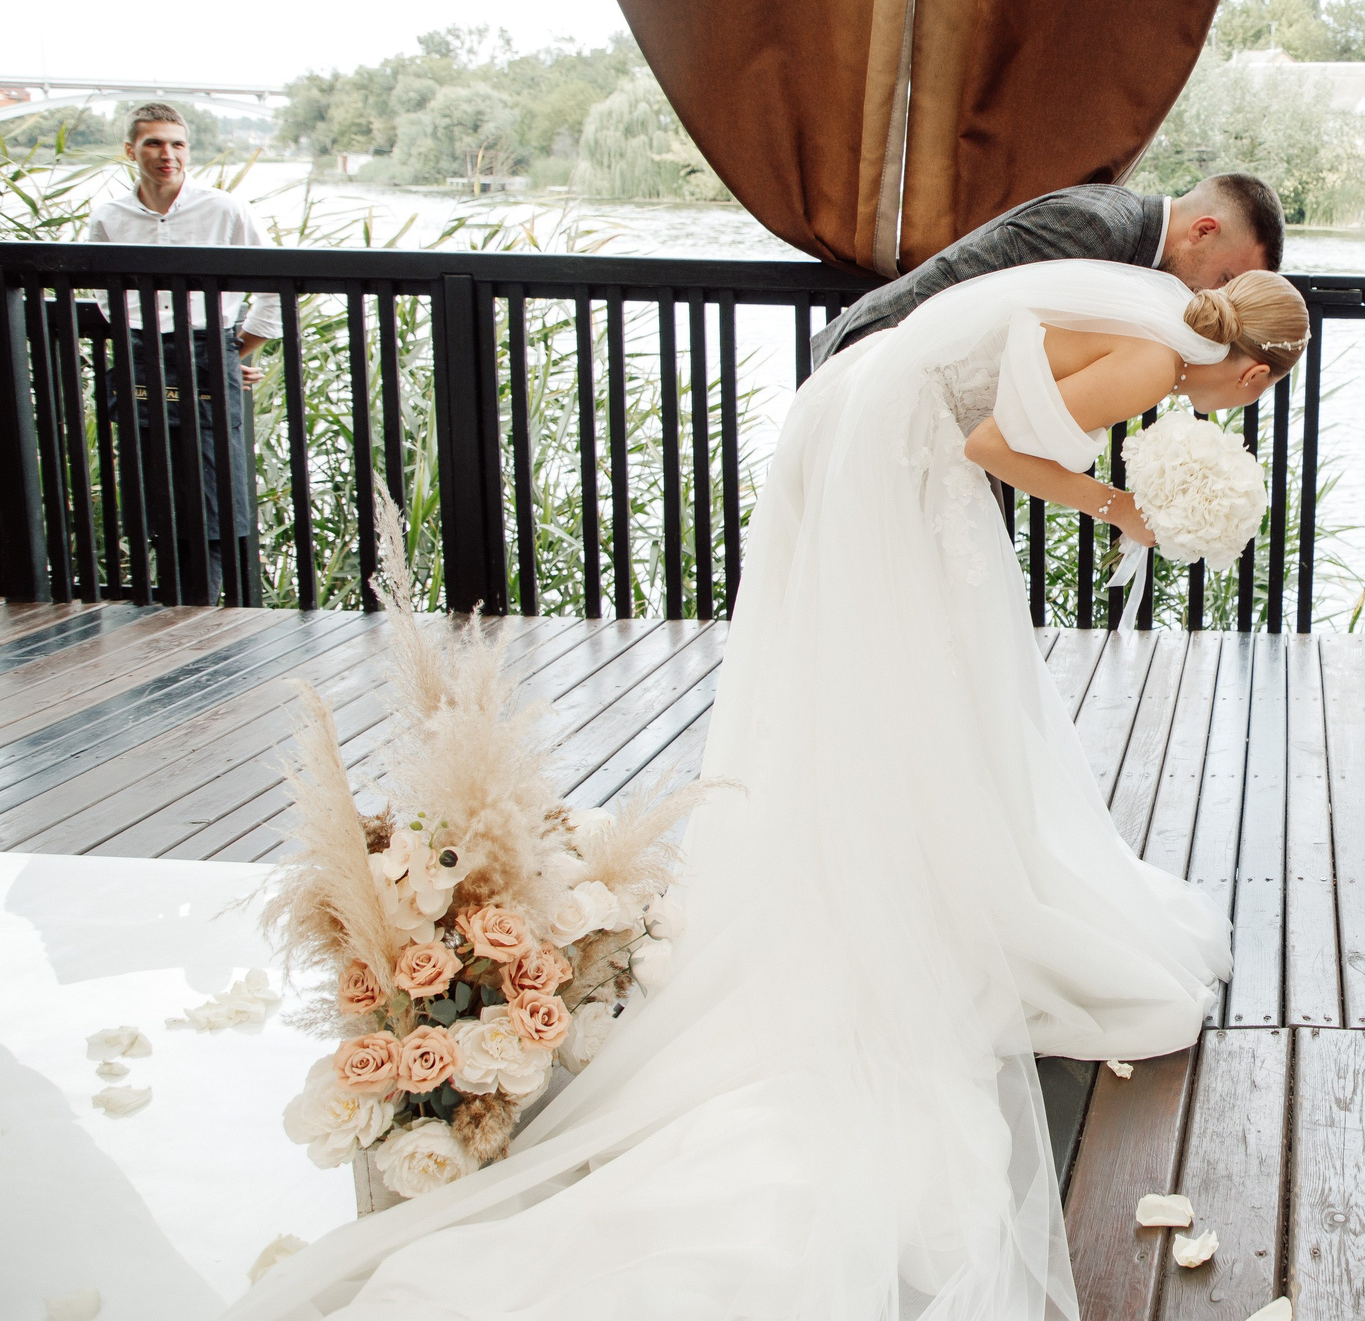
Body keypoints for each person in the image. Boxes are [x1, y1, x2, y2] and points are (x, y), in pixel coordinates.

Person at [234, 261, 1309, 1315]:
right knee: (928, 669)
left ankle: (907, 854)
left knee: (907, 672)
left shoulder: (1161, 314)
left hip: (864, 404)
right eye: (1248, 402)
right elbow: (991, 443)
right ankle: (923, 882)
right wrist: (1115, 503)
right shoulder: (1157, 354)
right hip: (895, 436)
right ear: (1252, 376)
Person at [82, 102, 281, 599]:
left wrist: (235, 354)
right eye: (153, 143)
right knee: (154, 486)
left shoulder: (223, 209)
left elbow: (276, 284)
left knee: (216, 489)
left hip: (208, 353)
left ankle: (213, 612)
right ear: (131, 150)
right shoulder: (109, 217)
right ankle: (173, 608)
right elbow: (105, 297)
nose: (166, 154)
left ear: (187, 149)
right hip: (141, 356)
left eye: (176, 143)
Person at [809, 171, 1283, 364]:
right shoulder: (1098, 230)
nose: (1216, 297)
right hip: (871, 356)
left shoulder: (1124, 229)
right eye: (1225, 279)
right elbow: (967, 306)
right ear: (1203, 230)